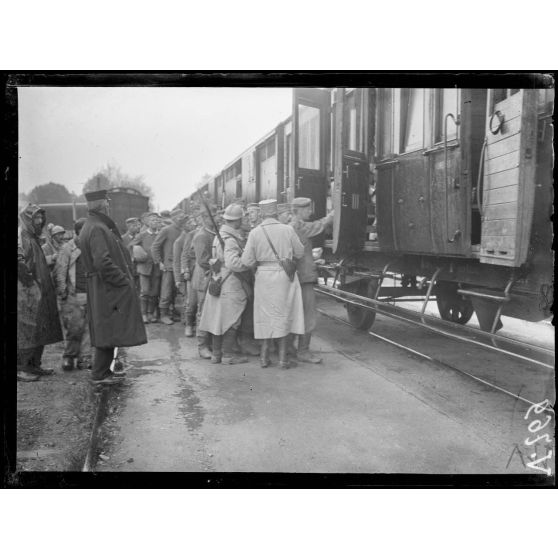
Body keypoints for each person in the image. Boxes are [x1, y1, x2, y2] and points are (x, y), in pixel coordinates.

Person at [79, 189, 147, 385]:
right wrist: (123, 281)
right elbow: (103, 263)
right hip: (105, 287)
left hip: (100, 286)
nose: (109, 205)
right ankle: (99, 374)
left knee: (106, 328)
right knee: (107, 329)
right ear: (102, 204)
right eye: (107, 202)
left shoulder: (92, 225)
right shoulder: (98, 227)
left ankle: (102, 371)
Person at [241, 199, 305, 369]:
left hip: (263, 277)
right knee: (283, 315)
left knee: (264, 316)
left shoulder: (255, 232)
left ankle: (264, 357)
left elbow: (247, 261)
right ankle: (283, 359)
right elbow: (300, 252)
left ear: (261, 214)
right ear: (276, 213)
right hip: (284, 276)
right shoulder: (287, 229)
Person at [198, 204, 254, 365]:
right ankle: (228, 355)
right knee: (232, 320)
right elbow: (233, 264)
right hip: (231, 283)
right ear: (237, 221)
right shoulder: (230, 239)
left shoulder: (219, 236)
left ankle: (216, 354)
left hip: (218, 281)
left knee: (218, 319)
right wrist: (248, 263)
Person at [17, 205, 64, 381]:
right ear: (27, 219)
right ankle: (21, 368)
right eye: (35, 218)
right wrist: (31, 285)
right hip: (27, 291)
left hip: (40, 289)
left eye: (40, 218)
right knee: (27, 328)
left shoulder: (33, 237)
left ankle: (34, 365)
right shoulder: (22, 236)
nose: (39, 221)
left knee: (41, 326)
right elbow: (19, 262)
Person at [290, 197, 334, 364]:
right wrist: (332, 215)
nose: (310, 211)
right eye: (307, 209)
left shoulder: (291, 225)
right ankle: (303, 351)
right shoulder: (297, 226)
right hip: (304, 277)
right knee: (308, 316)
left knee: (295, 314)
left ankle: (290, 348)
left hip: (299, 276)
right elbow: (318, 226)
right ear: (298, 211)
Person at [54, 217, 91, 371]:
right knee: (74, 327)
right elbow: (60, 271)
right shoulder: (68, 248)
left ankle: (85, 358)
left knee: (89, 328)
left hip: (90, 293)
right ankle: (69, 356)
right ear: (78, 231)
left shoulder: (92, 245)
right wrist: (62, 292)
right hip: (73, 294)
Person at [151, 208, 186, 325]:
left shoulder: (183, 230)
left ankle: (172, 312)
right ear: (174, 218)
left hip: (180, 265)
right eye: (180, 216)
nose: (182, 218)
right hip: (169, 266)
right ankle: (163, 315)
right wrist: (159, 262)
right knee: (166, 292)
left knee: (175, 291)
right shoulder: (166, 230)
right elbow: (155, 246)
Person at [191, 204, 217, 358]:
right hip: (204, 278)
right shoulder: (202, 235)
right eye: (212, 217)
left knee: (212, 311)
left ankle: (211, 344)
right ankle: (202, 346)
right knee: (202, 312)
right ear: (204, 218)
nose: (216, 219)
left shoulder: (212, 232)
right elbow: (203, 260)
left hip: (211, 276)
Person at [130, 212, 162, 323]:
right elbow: (131, 246)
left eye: (157, 220)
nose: (155, 222)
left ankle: (150, 313)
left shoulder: (161, 234)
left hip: (157, 267)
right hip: (144, 268)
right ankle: (143, 314)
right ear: (148, 222)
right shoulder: (142, 235)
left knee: (154, 292)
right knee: (145, 291)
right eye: (152, 220)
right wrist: (137, 255)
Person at [180, 214, 201, 337]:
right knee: (192, 301)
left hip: (208, 271)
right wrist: (186, 270)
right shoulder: (192, 234)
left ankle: (201, 328)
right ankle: (189, 325)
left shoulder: (214, 233)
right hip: (193, 271)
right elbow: (184, 255)